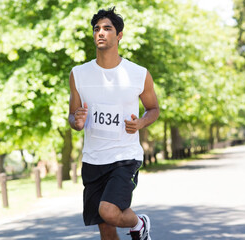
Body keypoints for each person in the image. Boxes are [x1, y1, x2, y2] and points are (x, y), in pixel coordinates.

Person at [68, 7, 160, 240]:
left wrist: (140, 123)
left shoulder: (138, 74)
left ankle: (139, 223)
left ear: (119, 35)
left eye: (107, 28)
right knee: (106, 227)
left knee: (108, 211)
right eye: (97, 28)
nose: (101, 32)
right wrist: (76, 121)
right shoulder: (78, 74)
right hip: (93, 159)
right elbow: (73, 117)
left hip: (124, 156)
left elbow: (154, 109)